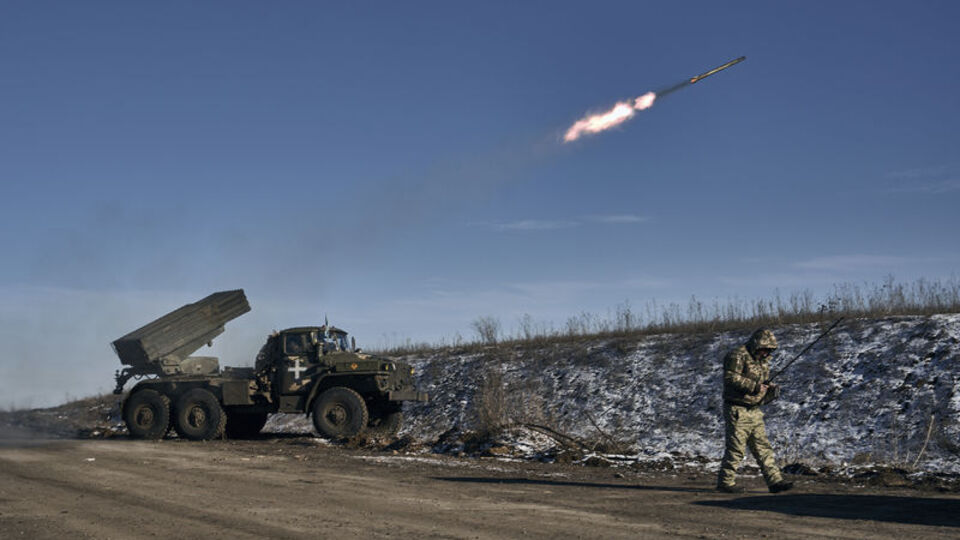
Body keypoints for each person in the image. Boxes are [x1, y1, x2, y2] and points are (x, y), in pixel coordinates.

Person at [716, 328, 794, 494]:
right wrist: (755, 387)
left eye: (769, 350)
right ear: (757, 345)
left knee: (763, 447)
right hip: (737, 409)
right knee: (736, 449)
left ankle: (775, 481)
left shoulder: (763, 360)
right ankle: (725, 482)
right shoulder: (737, 355)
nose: (766, 353)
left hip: (755, 410)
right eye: (765, 349)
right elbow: (730, 378)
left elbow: (761, 380)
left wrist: (768, 389)